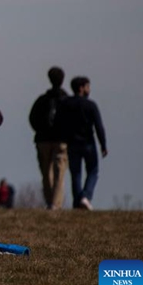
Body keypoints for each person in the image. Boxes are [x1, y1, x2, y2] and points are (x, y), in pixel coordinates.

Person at [58, 76, 107, 210]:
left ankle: (77, 201)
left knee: (75, 173)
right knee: (92, 170)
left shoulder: (65, 103)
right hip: (88, 142)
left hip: (72, 142)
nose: (89, 89)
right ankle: (86, 196)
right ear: (81, 88)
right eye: (87, 86)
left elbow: (60, 122)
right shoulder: (90, 105)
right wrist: (103, 144)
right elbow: (98, 126)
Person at [29, 66, 69, 210]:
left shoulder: (42, 100)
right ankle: (55, 203)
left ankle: (49, 200)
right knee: (60, 173)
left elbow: (32, 118)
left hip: (43, 140)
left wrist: (39, 130)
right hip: (61, 140)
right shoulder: (67, 101)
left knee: (46, 173)